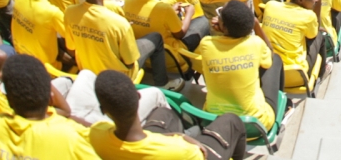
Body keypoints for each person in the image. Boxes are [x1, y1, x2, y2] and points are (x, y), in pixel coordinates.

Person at [89, 69, 248, 160]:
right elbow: (199, 154)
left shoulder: (95, 133)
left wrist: (178, 135)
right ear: (138, 97)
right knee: (232, 121)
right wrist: (182, 139)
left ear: (103, 110)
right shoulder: (180, 150)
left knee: (163, 112)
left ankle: (187, 130)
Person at [197, 0, 283, 132]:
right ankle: (283, 107)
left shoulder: (206, 44)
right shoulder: (255, 43)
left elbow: (225, 49)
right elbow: (269, 53)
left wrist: (222, 31)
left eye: (220, 15)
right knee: (275, 59)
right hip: (255, 125)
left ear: (223, 27)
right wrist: (256, 26)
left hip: (214, 121)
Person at [0, 54, 98, 159]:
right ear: (51, 99)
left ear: (9, 100)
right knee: (86, 75)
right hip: (90, 133)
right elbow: (67, 113)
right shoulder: (68, 136)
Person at [261, 0, 323, 82]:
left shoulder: (271, 5)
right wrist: (320, 2)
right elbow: (313, 35)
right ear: (300, 0)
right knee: (320, 35)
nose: (316, 0)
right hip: (295, 73)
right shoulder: (309, 16)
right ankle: (322, 72)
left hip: (268, 68)